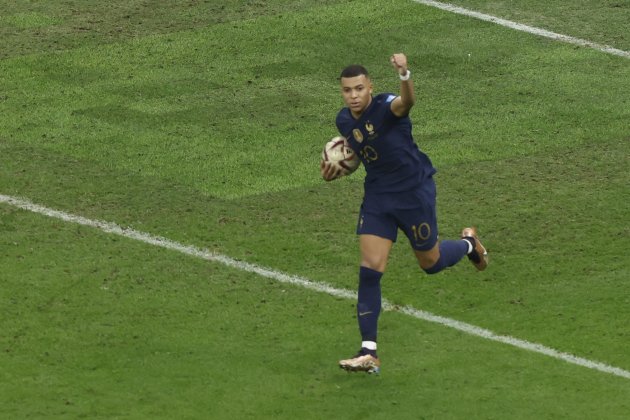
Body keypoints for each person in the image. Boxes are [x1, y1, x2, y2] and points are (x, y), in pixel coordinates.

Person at [320, 53, 488, 374]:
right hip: (379, 198)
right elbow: (361, 152)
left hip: (414, 194)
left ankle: (469, 245)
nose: (353, 96)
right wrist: (337, 167)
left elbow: (407, 102)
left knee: (431, 262)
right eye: (347, 90)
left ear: (370, 86)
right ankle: (368, 351)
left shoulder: (387, 107)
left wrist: (404, 74)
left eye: (358, 88)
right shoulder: (344, 121)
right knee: (371, 266)